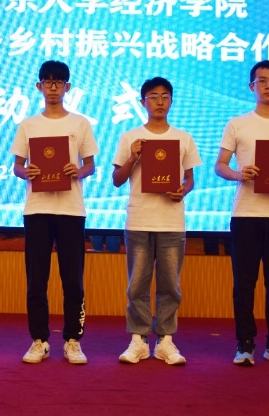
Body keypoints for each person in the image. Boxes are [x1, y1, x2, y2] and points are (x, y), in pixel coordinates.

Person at [214, 60, 269, 367]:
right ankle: (245, 343)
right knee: (244, 283)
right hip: (245, 214)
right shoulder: (238, 124)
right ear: (251, 86)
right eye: (262, 80)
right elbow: (220, 165)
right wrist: (239, 174)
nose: (268, 85)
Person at [11, 60, 99, 364]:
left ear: (67, 87)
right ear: (39, 86)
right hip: (37, 209)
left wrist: (78, 171)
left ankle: (73, 340)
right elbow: (17, 166)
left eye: (58, 82)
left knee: (72, 279)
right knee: (37, 279)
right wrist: (26, 172)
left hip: (71, 210)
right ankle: (39, 340)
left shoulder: (80, 123)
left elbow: (91, 165)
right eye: (47, 82)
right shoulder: (28, 124)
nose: (52, 87)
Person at [112, 77, 201, 365]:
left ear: (171, 101)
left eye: (164, 96)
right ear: (143, 102)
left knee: (169, 286)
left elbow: (190, 180)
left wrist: (182, 190)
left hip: (171, 222)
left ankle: (165, 340)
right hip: (139, 220)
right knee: (137, 286)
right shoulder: (130, 137)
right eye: (153, 96)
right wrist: (133, 157)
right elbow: (117, 179)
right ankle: (138, 339)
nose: (159, 101)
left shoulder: (184, 138)